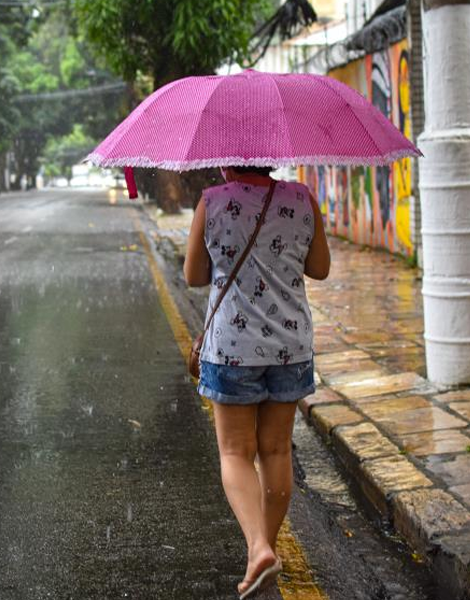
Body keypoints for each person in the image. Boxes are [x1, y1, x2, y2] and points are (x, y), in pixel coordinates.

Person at [183, 165, 330, 598]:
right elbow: (320, 268)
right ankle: (265, 548)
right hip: (290, 345)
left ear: (227, 159)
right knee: (276, 450)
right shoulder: (302, 198)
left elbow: (194, 276)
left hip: (232, 347)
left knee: (235, 451)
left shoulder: (212, 201)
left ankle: (258, 548)